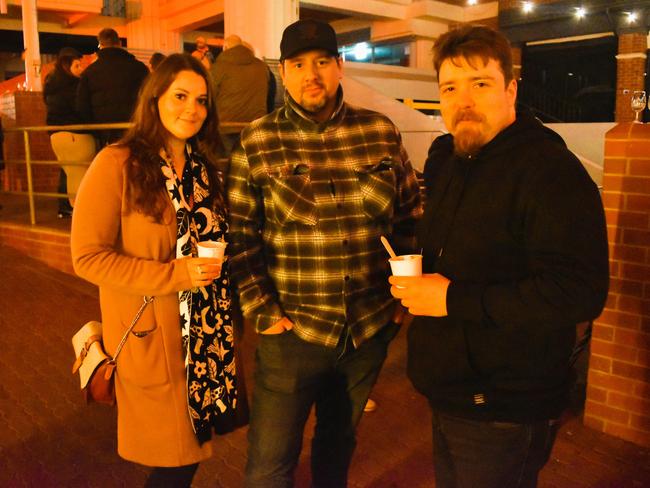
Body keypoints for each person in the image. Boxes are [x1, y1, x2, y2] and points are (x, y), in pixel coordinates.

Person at [389, 25, 609, 488]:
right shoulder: (447, 158)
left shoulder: (550, 172)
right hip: (447, 390)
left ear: (511, 89)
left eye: (480, 84)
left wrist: (452, 300)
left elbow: (579, 293)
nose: (463, 100)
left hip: (505, 403)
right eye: (450, 88)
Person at [227, 19, 422, 487]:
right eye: (298, 64)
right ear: (283, 72)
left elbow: (409, 216)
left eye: (321, 62)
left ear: (339, 67)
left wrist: (400, 302)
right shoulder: (257, 142)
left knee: (337, 447)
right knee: (270, 465)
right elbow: (240, 238)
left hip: (367, 329)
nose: (310, 74)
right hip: (293, 332)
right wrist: (264, 313)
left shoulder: (379, 131)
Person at [71, 53, 241, 487]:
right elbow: (87, 256)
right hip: (154, 337)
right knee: (175, 460)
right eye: (180, 96)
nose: (192, 109)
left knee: (186, 457)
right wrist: (175, 276)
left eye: (202, 100)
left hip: (206, 341)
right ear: (154, 99)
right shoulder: (118, 163)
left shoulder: (204, 170)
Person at [43, 47, 96, 218]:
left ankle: (66, 207)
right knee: (80, 176)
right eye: (77, 66)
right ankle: (81, 212)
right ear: (67, 67)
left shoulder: (51, 85)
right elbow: (82, 109)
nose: (81, 69)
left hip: (56, 136)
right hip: (76, 134)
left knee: (69, 173)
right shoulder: (74, 86)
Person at [76, 28, 149, 146]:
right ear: (119, 43)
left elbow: (82, 106)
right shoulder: (139, 68)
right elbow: (149, 98)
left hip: (105, 134)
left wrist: (96, 130)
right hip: (135, 130)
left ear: (101, 45)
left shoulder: (90, 72)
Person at [210, 35, 271, 155]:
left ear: (225, 47)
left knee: (228, 164)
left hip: (225, 126)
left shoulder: (218, 67)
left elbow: (210, 96)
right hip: (256, 125)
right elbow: (269, 96)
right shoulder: (262, 66)